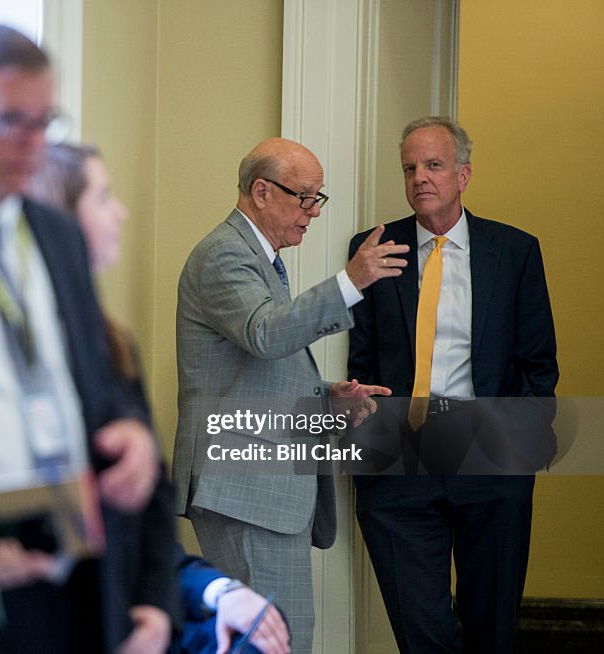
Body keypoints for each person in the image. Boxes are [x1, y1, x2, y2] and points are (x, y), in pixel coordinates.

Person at [0, 23, 175, 653]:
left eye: (44, 121)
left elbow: (97, 382)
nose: (32, 144)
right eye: (9, 122)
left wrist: (131, 432)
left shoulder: (55, 234)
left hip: (78, 547)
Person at [28, 142, 291, 654]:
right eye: (103, 198)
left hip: (138, 592)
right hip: (70, 610)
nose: (121, 212)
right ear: (57, 219)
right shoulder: (223, 253)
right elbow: (267, 334)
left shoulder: (113, 344)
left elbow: (143, 527)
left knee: (258, 624)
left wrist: (214, 593)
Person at [172, 137, 401, 651]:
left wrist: (326, 395)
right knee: (274, 644)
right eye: (305, 197)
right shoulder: (224, 254)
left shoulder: (260, 257)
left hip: (261, 484)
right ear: (261, 191)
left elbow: (256, 369)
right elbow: (267, 333)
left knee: (280, 641)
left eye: (318, 199)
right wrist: (351, 281)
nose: (313, 212)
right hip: (246, 484)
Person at [346, 116, 559, 652]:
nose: (420, 177)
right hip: (399, 465)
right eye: (410, 167)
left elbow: (538, 362)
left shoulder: (513, 252)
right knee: (423, 633)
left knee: (492, 629)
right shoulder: (376, 248)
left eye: (434, 165)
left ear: (463, 175)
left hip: (489, 461)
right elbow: (363, 359)